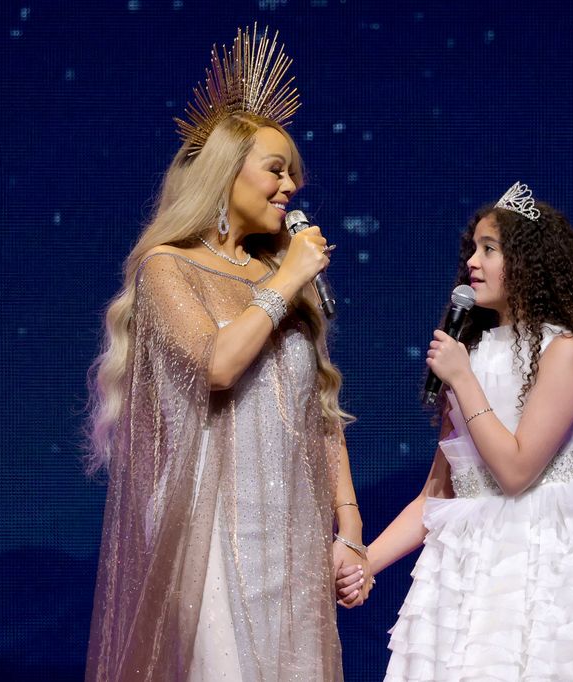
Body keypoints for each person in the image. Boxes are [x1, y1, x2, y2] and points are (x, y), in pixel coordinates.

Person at [84, 26, 371, 681]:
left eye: (293, 172)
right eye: (277, 167)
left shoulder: (283, 281)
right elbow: (218, 365)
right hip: (208, 527)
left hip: (291, 531)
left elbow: (322, 416)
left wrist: (347, 532)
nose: (291, 184)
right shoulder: (168, 268)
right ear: (226, 171)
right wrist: (289, 277)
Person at [337, 182, 573, 680]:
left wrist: (463, 380)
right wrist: (366, 562)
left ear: (529, 263)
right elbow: (439, 492)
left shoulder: (569, 352)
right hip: (467, 570)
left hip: (546, 566)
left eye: (489, 250)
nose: (473, 261)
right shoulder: (467, 358)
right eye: (473, 248)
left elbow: (516, 471)